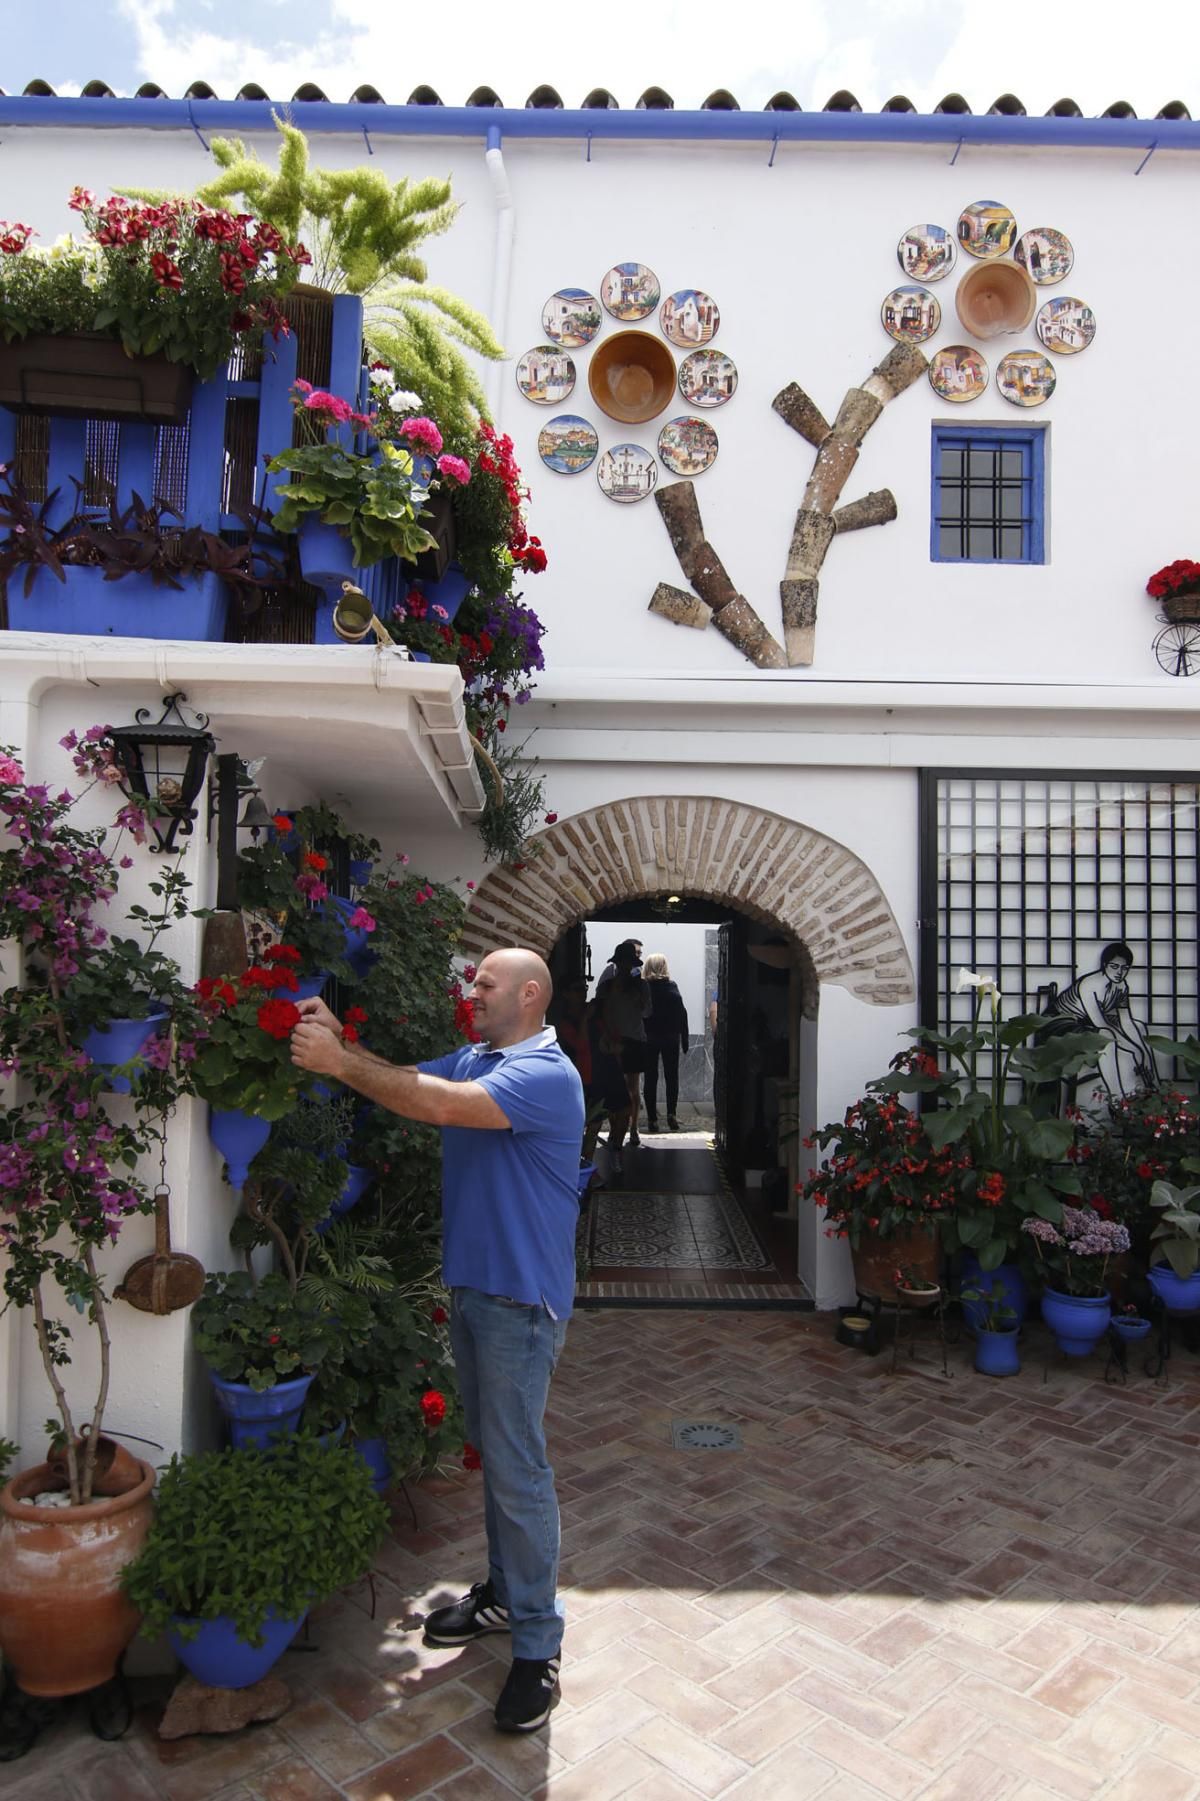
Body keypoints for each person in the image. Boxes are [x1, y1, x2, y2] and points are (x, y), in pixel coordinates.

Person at [289, 947, 583, 1736]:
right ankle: (501, 1593)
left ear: (528, 994)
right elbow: (407, 1074)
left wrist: (337, 1064)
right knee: (495, 1451)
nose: (472, 989)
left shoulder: (545, 1074)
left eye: (486, 982)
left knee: (519, 1465)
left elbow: (442, 1104)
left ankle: (538, 1645)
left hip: (521, 1301)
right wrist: (340, 1046)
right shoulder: (483, 1055)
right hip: (477, 1290)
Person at [1041, 942, 1160, 1101]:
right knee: (1105, 1036)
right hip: (1059, 1023)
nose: (1119, 972)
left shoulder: (1121, 987)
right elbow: (1101, 1025)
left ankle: (1153, 1087)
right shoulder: (1089, 985)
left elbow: (1127, 1022)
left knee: (1139, 1027)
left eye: (1125, 968)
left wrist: (1143, 1053)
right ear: (1104, 965)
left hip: (1084, 1023)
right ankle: (1117, 1100)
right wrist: (1133, 1050)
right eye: (1114, 966)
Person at [595, 941, 650, 1153]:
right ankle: (616, 1129)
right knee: (614, 1087)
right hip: (613, 1039)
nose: (625, 967)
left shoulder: (641, 986)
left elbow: (647, 1012)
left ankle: (632, 1127)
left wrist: (639, 1001)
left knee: (632, 1088)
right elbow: (599, 1009)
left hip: (633, 1039)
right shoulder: (607, 985)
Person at [641, 952, 689, 1132]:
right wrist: (684, 1039)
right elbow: (682, 1013)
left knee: (650, 1079)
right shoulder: (672, 987)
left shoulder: (644, 987)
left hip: (649, 1038)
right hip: (670, 1037)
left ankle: (652, 1119)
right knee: (672, 1077)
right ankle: (671, 1115)